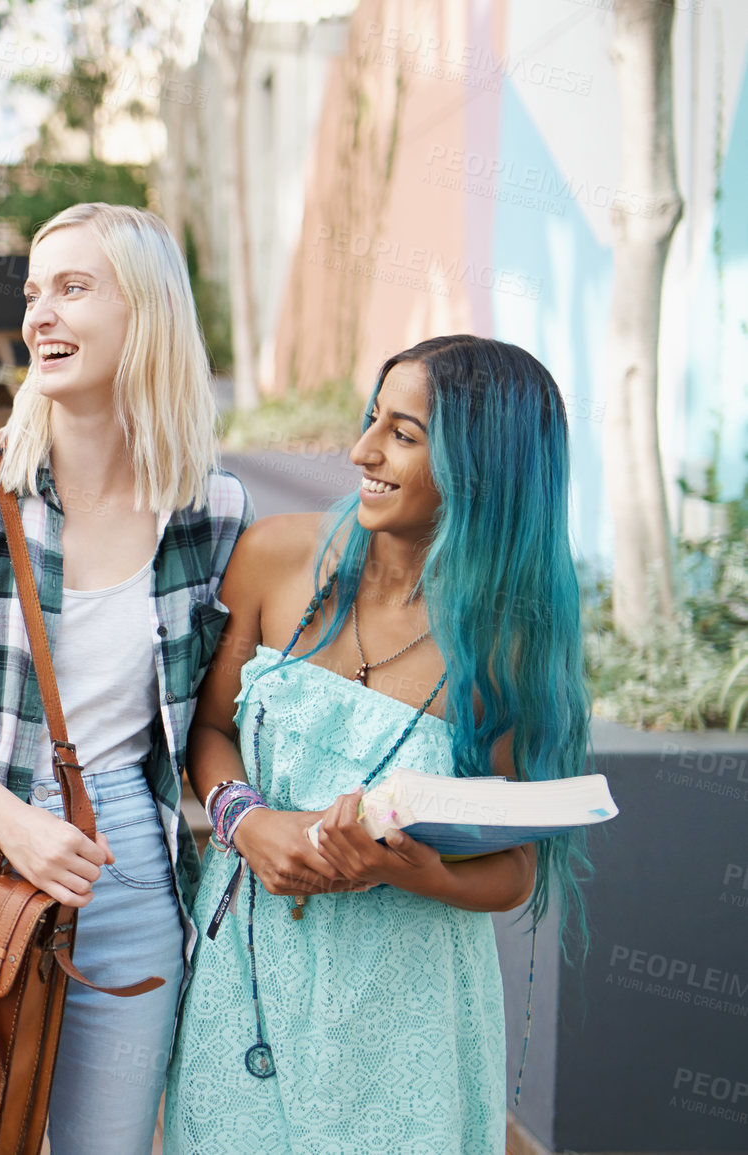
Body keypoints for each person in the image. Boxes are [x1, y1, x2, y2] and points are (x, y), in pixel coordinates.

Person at [0, 201, 252, 1152]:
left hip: (126, 855)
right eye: (34, 292)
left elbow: (217, 710)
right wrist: (16, 823)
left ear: (150, 312)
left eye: (73, 288)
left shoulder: (209, 511)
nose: (39, 314)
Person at [166, 335, 592, 1154]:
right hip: (246, 980)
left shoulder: (510, 644)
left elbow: (518, 869)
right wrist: (246, 821)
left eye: (402, 433)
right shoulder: (274, 558)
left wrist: (419, 869)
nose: (361, 451)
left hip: (408, 1006)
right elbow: (210, 730)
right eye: (371, 420)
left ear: (482, 460)